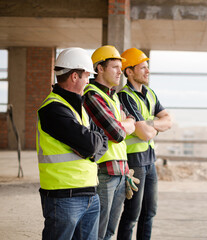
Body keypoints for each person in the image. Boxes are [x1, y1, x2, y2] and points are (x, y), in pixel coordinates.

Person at [36, 47, 108, 240]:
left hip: (90, 194)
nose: (88, 81)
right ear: (75, 77)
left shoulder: (79, 108)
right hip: (63, 197)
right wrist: (92, 147)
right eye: (86, 76)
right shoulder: (52, 109)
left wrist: (91, 147)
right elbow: (91, 144)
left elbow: (102, 139)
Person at [83, 45, 137, 240]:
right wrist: (125, 124)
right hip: (104, 172)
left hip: (121, 171)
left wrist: (125, 123)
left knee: (109, 232)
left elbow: (132, 122)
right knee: (97, 232)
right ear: (100, 68)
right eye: (114, 66)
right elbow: (117, 133)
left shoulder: (112, 96)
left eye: (120, 67)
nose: (119, 72)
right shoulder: (92, 95)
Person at [117, 48, 172, 240]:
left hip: (150, 160)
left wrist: (149, 126)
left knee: (150, 212)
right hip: (134, 162)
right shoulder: (125, 96)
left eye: (147, 67)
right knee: (132, 214)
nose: (147, 71)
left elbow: (168, 120)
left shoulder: (150, 93)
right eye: (143, 68)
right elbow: (144, 133)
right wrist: (153, 127)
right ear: (129, 71)